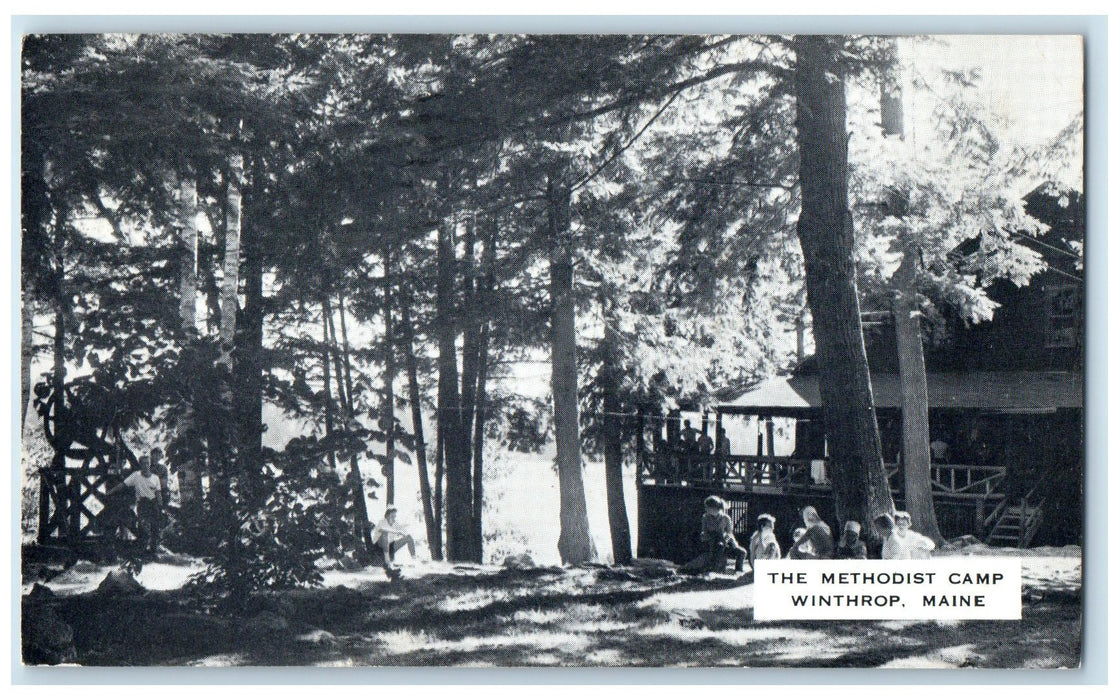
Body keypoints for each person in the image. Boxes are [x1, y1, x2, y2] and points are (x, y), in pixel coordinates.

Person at [105, 455, 164, 553]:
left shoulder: (155, 478)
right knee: (143, 527)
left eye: (147, 463)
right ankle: (142, 551)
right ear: (140, 465)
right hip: (142, 504)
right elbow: (123, 485)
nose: (146, 465)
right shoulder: (136, 476)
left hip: (153, 504)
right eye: (143, 463)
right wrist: (110, 492)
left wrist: (160, 506)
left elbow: (158, 493)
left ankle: (153, 551)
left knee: (155, 528)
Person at [681, 495, 747, 574]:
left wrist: (727, 542)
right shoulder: (705, 517)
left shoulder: (726, 518)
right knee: (717, 547)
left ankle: (738, 570)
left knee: (742, 552)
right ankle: (713, 569)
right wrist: (706, 538)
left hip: (725, 540)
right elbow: (704, 531)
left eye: (707, 507)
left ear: (714, 508)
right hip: (711, 540)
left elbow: (729, 533)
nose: (706, 509)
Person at [371, 506, 416, 572]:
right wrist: (397, 532)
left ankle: (414, 558)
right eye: (392, 516)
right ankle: (387, 561)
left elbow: (403, 531)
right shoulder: (382, 522)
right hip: (379, 549)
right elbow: (383, 530)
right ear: (387, 516)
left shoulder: (395, 523)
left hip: (390, 547)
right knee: (384, 535)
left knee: (409, 537)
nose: (394, 518)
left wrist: (403, 533)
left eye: (395, 516)